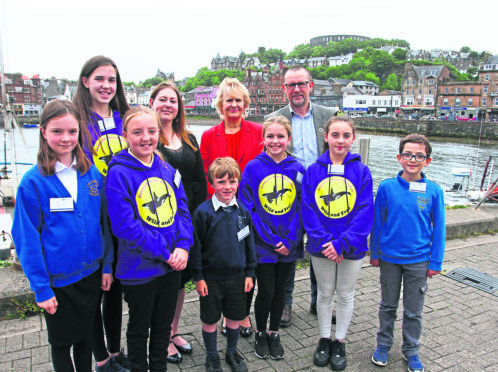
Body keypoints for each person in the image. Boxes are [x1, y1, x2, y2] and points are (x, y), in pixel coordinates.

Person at [11, 100, 113, 372]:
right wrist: (41, 288)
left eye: (72, 131)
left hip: (90, 276)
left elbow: (103, 223)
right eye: (57, 131)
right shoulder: (33, 182)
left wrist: (107, 265)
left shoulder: (90, 173)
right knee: (61, 344)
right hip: (58, 282)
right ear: (43, 132)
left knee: (84, 339)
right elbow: (26, 238)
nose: (66, 138)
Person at [105, 106, 193, 372]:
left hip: (171, 267)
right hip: (139, 270)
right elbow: (125, 227)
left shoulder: (167, 168)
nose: (146, 138)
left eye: (151, 131)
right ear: (125, 135)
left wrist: (183, 246)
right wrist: (165, 253)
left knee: (162, 328)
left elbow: (183, 211)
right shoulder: (118, 173)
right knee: (138, 329)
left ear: (159, 133)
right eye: (137, 132)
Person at [265, 66, 337, 327]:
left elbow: (339, 150)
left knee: (320, 247)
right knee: (289, 248)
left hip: (322, 195)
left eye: (301, 84)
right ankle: (285, 303)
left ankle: (321, 301)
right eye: (291, 85)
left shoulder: (329, 116)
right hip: (289, 196)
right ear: (284, 88)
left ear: (311, 85)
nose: (296, 89)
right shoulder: (274, 118)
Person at [73, 55, 130, 372]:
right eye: (100, 79)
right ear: (85, 82)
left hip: (123, 214)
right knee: (96, 286)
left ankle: (114, 349)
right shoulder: (78, 123)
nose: (107, 86)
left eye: (112, 80)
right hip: (94, 217)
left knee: (115, 287)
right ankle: (100, 358)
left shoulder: (125, 119)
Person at [302, 116, 373, 371]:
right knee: (324, 293)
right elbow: (308, 209)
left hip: (350, 248)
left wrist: (342, 244)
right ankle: (323, 338)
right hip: (322, 247)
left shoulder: (362, 172)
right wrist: (324, 242)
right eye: (335, 135)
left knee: (345, 294)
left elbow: (364, 211)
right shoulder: (313, 171)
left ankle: (339, 340)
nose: (340, 141)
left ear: (352, 138)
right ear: (326, 137)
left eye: (345, 135)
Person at [370, 134, 446, 372]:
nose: (413, 159)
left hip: (419, 261)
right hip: (390, 259)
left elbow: (439, 229)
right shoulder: (386, 187)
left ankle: (411, 350)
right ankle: (383, 345)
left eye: (419, 156)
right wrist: (375, 252)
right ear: (399, 157)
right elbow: (378, 223)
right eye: (408, 154)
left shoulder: (433, 191)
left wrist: (436, 261)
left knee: (413, 311)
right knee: (388, 306)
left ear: (428, 161)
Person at [200, 77, 263, 336]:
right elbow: (205, 173)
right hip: (220, 211)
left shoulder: (258, 132)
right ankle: (222, 313)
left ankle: (241, 314)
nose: (234, 105)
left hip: (250, 209)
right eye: (229, 100)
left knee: (247, 261)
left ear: (245, 103)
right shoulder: (207, 135)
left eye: (239, 100)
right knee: (223, 261)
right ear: (220, 105)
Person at [239, 116, 305, 360]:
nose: (275, 141)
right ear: (263, 139)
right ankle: (260, 333)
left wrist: (290, 239)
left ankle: (274, 332)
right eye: (270, 136)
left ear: (288, 139)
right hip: (263, 244)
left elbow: (302, 206)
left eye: (280, 136)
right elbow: (248, 208)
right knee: (265, 290)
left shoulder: (298, 169)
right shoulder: (253, 168)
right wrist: (269, 239)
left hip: (290, 243)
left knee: (280, 291)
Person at [150, 81, 207, 364]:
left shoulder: (189, 138)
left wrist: (195, 220)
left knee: (180, 281)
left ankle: (173, 331)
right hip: (159, 221)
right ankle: (158, 337)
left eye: (173, 100)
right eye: (162, 99)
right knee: (161, 281)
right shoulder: (148, 138)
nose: (168, 105)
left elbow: (198, 180)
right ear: (152, 103)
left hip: (186, 220)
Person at [190, 157, 257, 372]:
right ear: (212, 183)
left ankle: (231, 352)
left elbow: (249, 245)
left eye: (232, 182)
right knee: (210, 319)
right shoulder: (203, 213)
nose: (227, 187)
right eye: (221, 182)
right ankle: (212, 356)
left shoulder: (243, 212)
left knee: (235, 317)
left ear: (238, 183)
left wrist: (250, 273)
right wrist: (198, 277)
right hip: (211, 279)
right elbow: (196, 247)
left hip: (238, 277)